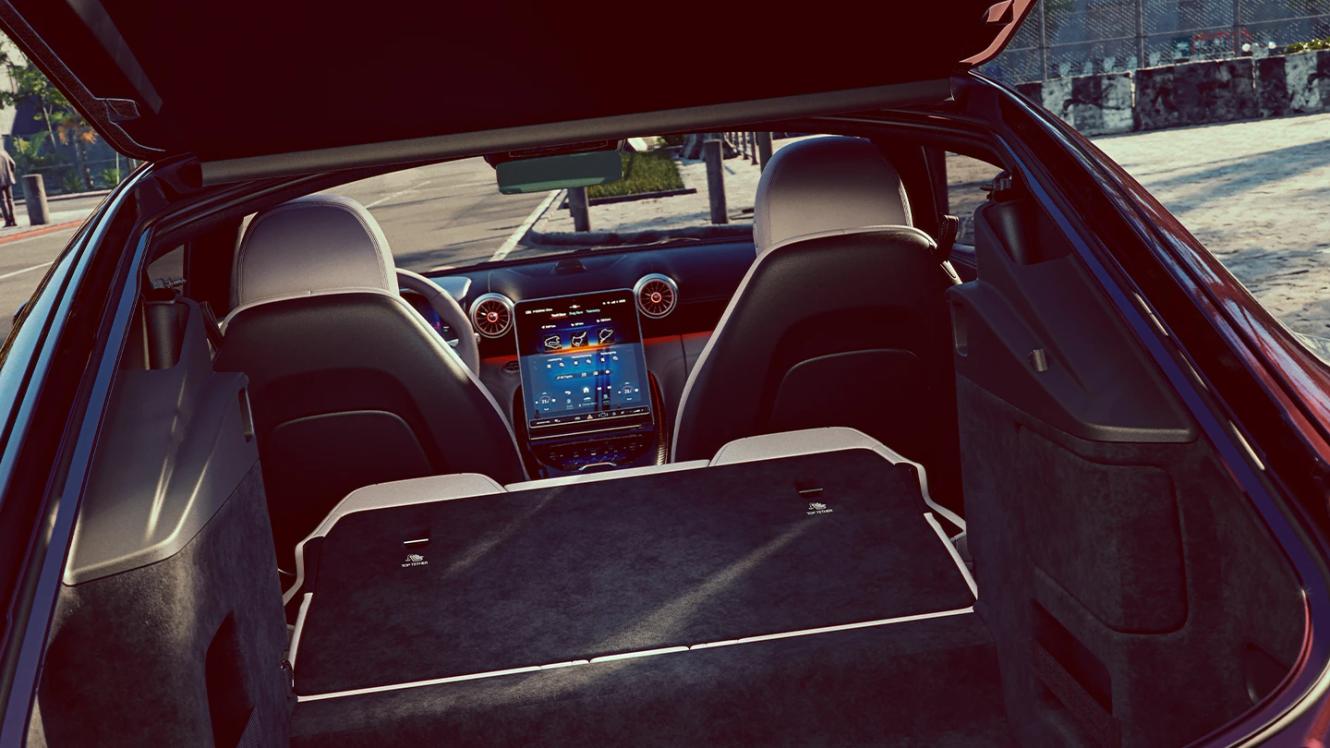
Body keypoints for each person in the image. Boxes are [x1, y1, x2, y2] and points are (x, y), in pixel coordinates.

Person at [0, 145, 16, 227]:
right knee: (10, 199)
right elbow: (13, 164)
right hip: (8, 179)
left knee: (3, 201)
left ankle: (8, 221)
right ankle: (14, 220)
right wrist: (11, 174)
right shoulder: (4, 153)